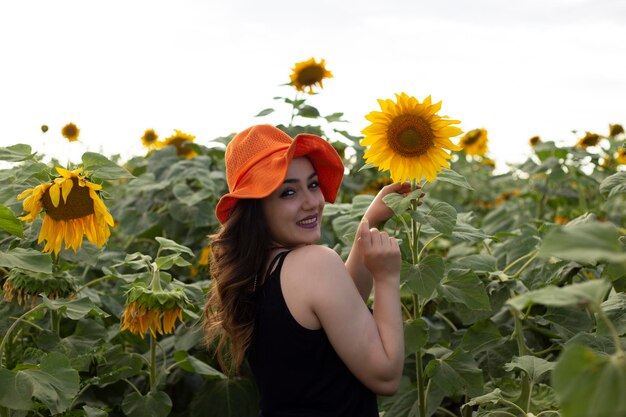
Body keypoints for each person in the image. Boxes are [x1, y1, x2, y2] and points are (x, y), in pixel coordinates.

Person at [203, 124, 411, 416]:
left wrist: (371, 221)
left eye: (313, 184)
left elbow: (340, 309)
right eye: (289, 192)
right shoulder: (314, 263)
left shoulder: (254, 271)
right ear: (256, 207)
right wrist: (386, 278)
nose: (313, 202)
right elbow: (386, 376)